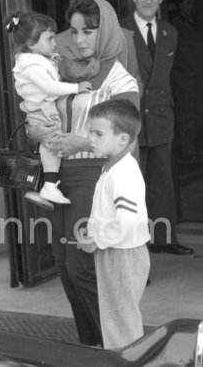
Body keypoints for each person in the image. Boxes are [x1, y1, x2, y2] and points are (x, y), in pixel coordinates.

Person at [28, 0, 140, 346]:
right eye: (74, 31)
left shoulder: (121, 81)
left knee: (83, 268)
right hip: (60, 176)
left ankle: (116, 346)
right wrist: (38, 130)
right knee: (64, 267)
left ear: (105, 31)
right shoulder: (64, 71)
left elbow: (126, 139)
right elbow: (46, 113)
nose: (78, 40)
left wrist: (80, 143)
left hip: (94, 176)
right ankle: (91, 344)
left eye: (88, 32)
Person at [119, 0, 193, 255]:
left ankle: (164, 238)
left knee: (162, 181)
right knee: (133, 185)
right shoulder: (122, 30)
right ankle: (138, 245)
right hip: (132, 118)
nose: (148, 0)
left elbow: (173, 77)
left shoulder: (169, 32)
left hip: (161, 117)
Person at [81, 99, 150, 349]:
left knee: (122, 321)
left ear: (122, 139)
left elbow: (127, 222)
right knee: (115, 317)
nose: (91, 138)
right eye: (90, 131)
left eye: (98, 133)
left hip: (122, 255)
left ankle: (129, 361)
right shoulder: (113, 167)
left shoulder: (124, 173)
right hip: (114, 251)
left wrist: (97, 239)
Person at [6, 11, 92, 206]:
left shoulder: (33, 61)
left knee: (45, 145)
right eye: (49, 38)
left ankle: (37, 187)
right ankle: (49, 186)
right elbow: (50, 87)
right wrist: (76, 87)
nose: (54, 43)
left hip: (40, 107)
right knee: (52, 144)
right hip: (43, 108)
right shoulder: (32, 65)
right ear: (31, 44)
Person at [55, 0, 141, 87]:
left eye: (89, 5)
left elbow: (135, 82)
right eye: (78, 5)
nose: (83, 11)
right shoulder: (56, 42)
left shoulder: (124, 36)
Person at [171, 0, 203, 159]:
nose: (191, 7)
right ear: (181, 5)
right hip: (185, 76)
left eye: (193, 4)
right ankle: (188, 149)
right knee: (187, 114)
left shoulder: (194, 24)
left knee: (198, 112)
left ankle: (195, 147)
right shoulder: (176, 26)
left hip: (197, 75)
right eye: (188, 3)